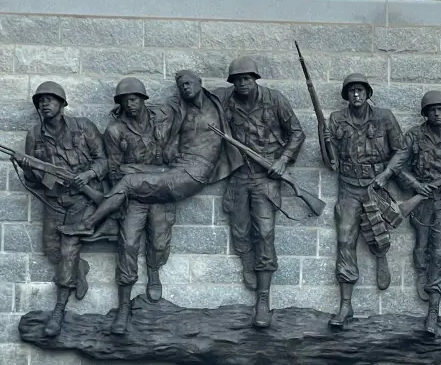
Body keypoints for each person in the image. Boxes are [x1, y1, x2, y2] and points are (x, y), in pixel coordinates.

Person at [60, 70, 243, 239]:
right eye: (181, 86)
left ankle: (89, 224)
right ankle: (108, 217)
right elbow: (153, 111)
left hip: (193, 173)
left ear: (200, 82)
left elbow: (243, 86)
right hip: (175, 169)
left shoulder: (219, 98)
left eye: (188, 83)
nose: (185, 88)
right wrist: (125, 112)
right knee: (125, 170)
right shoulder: (178, 105)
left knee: (128, 181)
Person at [372, 90, 441, 335]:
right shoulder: (414, 136)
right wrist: (416, 186)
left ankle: (433, 309)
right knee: (421, 250)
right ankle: (424, 273)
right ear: (425, 113)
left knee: (440, 253)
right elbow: (399, 165)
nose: (437, 113)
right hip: (423, 200)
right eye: (432, 109)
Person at [213, 56, 305, 329]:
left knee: (265, 234)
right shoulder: (225, 101)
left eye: (247, 79)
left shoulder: (274, 99)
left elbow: (297, 133)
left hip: (266, 176)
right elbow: (199, 100)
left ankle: (263, 300)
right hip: (240, 173)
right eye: (238, 80)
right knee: (240, 230)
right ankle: (246, 260)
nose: (242, 83)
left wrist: (283, 160)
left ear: (255, 79)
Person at [15, 81, 110, 337]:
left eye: (50, 99)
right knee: (52, 250)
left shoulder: (83, 127)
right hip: (54, 201)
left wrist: (88, 175)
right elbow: (35, 180)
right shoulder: (34, 136)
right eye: (40, 101)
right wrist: (26, 167)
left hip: (82, 200)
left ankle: (58, 310)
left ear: (62, 103)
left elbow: (105, 160)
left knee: (68, 250)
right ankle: (78, 268)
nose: (45, 104)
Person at [322, 73, 403, 326]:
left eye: (360, 90)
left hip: (375, 185)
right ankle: (346, 305)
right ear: (346, 96)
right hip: (348, 186)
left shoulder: (384, 117)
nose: (356, 95)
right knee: (344, 239)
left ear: (367, 93)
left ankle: (380, 254)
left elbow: (401, 150)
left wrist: (387, 174)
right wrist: (326, 143)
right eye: (352, 91)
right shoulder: (336, 120)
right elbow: (330, 162)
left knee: (379, 229)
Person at [103, 77, 177, 334]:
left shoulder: (162, 121)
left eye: (133, 99)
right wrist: (145, 172)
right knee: (128, 245)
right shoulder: (115, 131)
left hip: (160, 194)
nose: (129, 104)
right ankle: (124, 306)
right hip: (133, 197)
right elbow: (115, 170)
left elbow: (174, 159)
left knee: (159, 241)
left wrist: (138, 171)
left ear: (143, 100)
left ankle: (154, 273)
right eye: (125, 100)